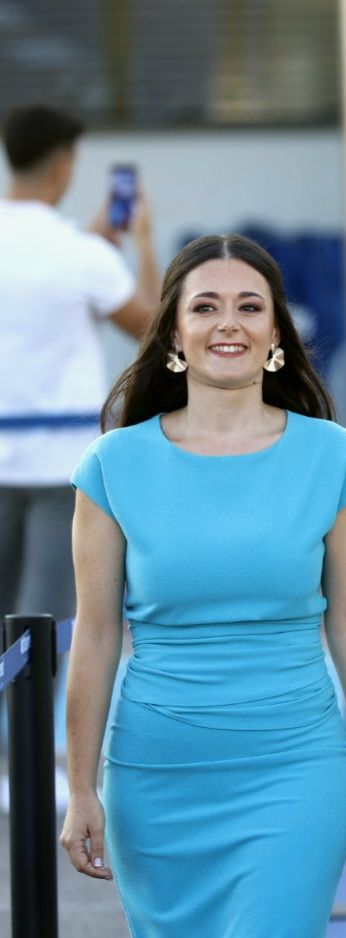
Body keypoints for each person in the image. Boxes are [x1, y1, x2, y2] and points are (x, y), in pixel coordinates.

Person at [59, 235, 346, 935]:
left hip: (296, 767)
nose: (228, 323)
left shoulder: (329, 455)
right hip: (157, 776)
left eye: (250, 306)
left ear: (276, 331)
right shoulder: (113, 465)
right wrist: (79, 787)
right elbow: (93, 635)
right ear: (174, 333)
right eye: (205, 306)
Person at [0, 104, 158, 632]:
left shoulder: (83, 251)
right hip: (58, 464)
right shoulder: (80, 254)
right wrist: (142, 244)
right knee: (41, 632)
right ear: (64, 165)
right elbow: (156, 334)